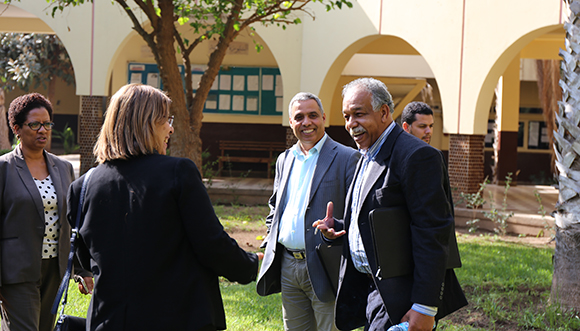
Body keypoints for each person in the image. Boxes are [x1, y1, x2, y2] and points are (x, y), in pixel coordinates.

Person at [67, 84, 262, 331]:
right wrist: (252, 265)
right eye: (165, 120)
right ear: (145, 123)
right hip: (176, 318)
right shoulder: (178, 172)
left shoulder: (82, 186)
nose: (171, 128)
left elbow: (87, 258)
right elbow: (211, 244)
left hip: (110, 320)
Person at [313, 78, 467, 331]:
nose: (351, 124)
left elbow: (433, 233)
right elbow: (387, 222)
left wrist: (424, 308)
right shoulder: (366, 154)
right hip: (371, 291)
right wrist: (341, 228)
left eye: (359, 114)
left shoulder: (417, 156)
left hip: (401, 298)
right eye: (346, 116)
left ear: (384, 112)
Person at [256, 92, 360, 331]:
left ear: (323, 117)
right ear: (291, 122)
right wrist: (271, 236)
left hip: (327, 265)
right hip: (288, 264)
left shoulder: (347, 157)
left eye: (313, 115)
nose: (306, 122)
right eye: (299, 117)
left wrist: (337, 228)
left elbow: (358, 214)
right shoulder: (285, 159)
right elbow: (276, 205)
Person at [0, 93, 93, 331]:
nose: (43, 130)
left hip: (54, 269)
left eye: (47, 124)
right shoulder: (4, 168)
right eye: (34, 124)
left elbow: (74, 221)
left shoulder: (63, 168)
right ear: (16, 128)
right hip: (16, 271)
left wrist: (81, 269)